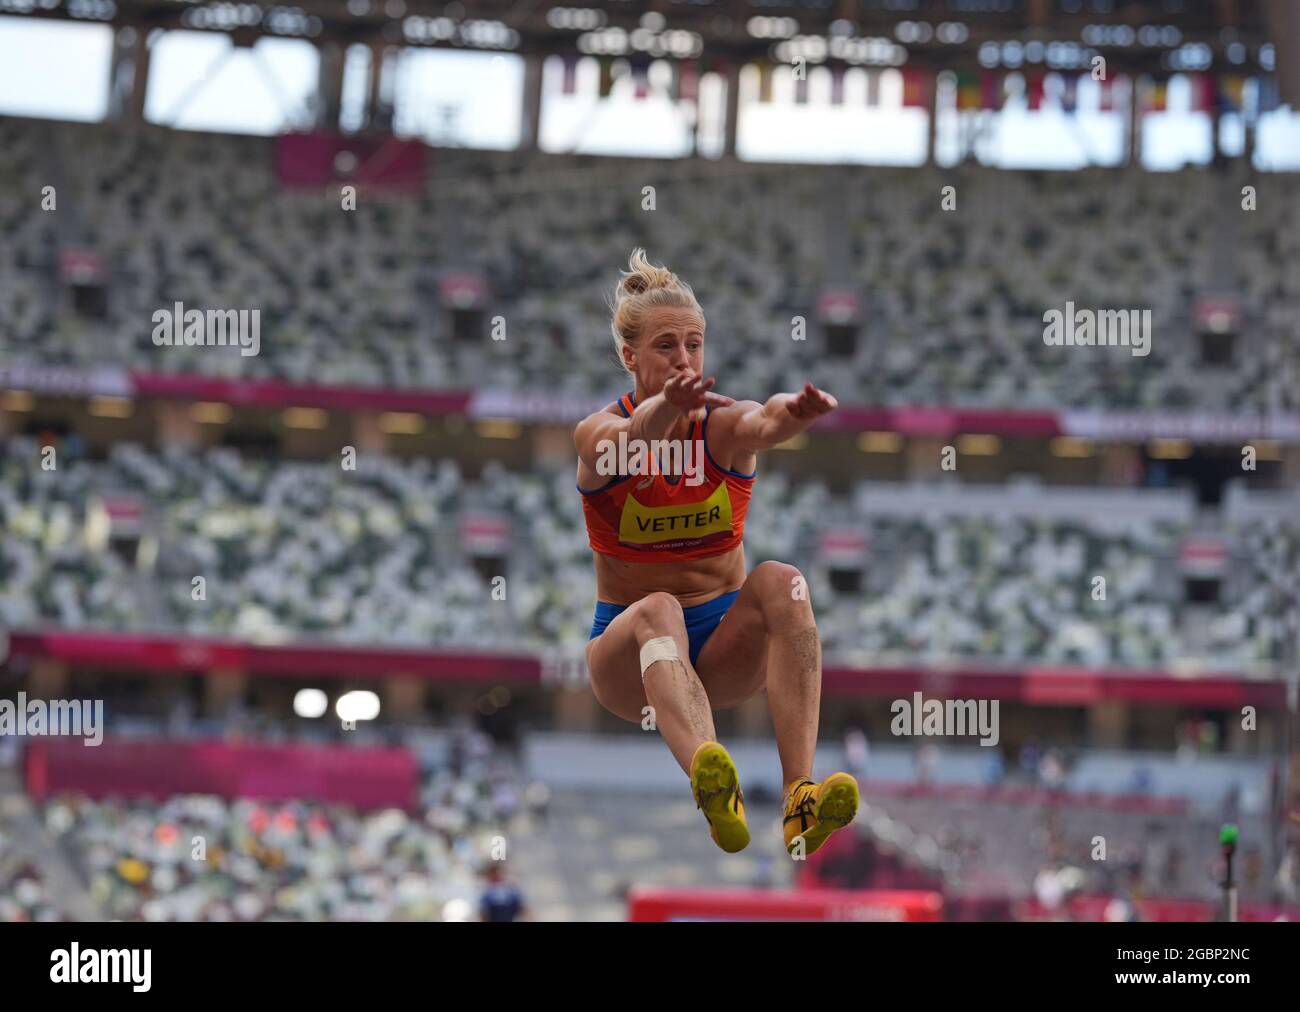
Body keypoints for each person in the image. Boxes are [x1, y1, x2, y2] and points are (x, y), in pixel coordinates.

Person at [575, 248, 859, 855]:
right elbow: (630, 439)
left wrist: (794, 413)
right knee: (658, 608)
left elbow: (763, 421)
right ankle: (713, 783)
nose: (685, 358)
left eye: (695, 344)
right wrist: (663, 410)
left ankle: (799, 798)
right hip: (630, 663)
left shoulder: (719, 424)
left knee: (785, 580)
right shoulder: (597, 434)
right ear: (629, 356)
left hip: (725, 650)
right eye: (666, 346)